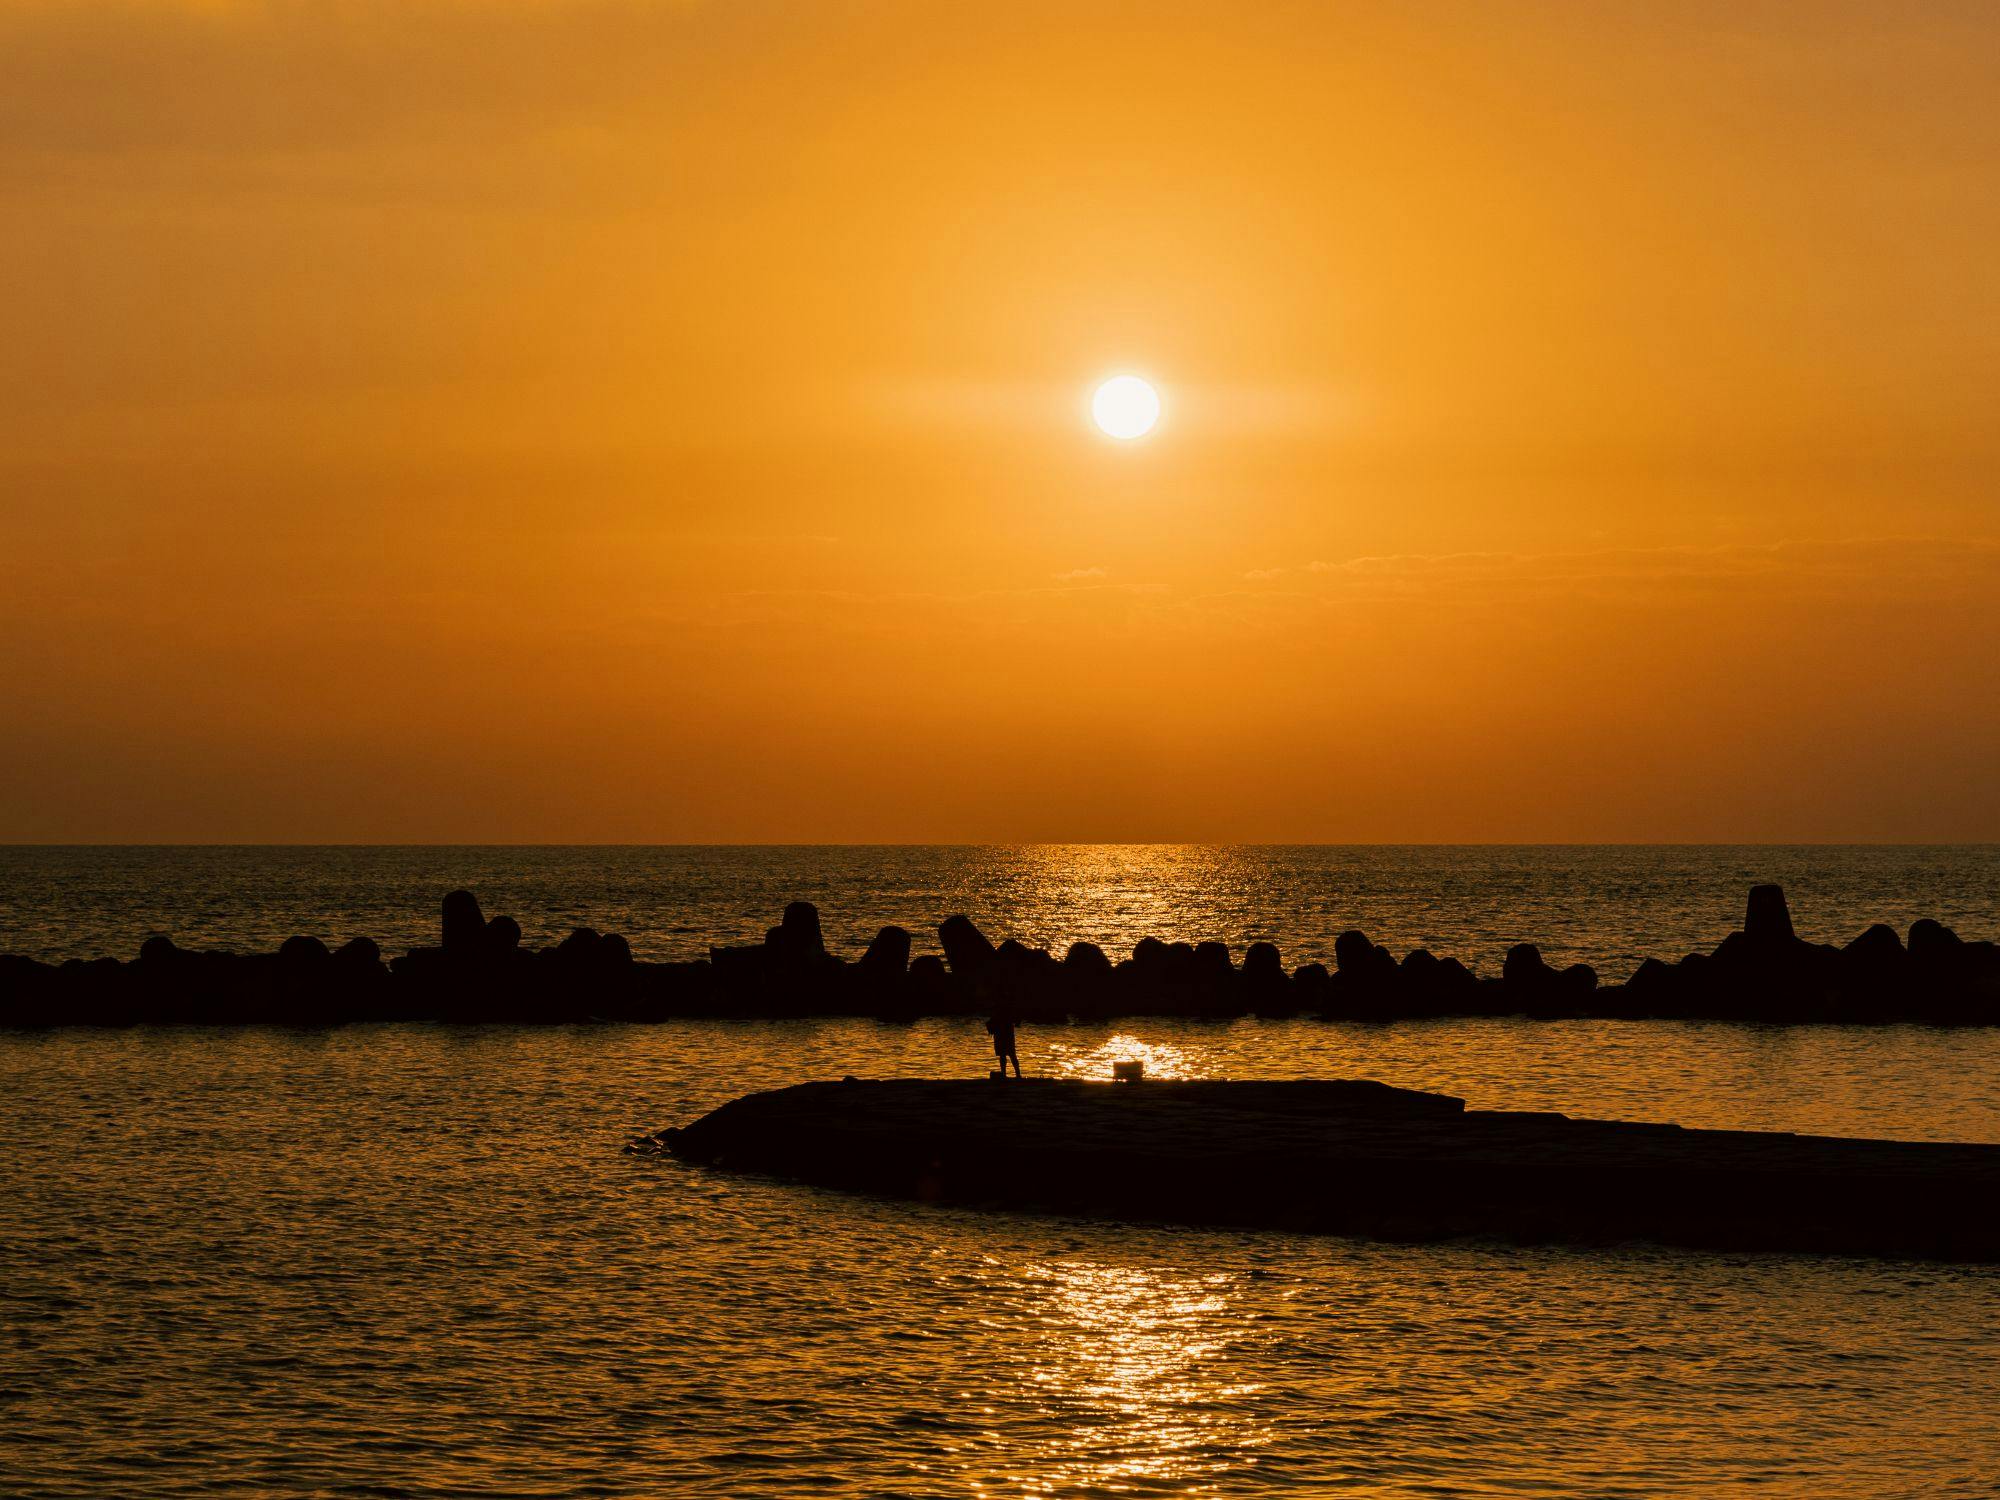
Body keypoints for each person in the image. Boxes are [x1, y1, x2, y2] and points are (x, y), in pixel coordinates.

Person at [986, 1005, 1022, 1078]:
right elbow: (1018, 1020)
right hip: (1005, 1036)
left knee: (1006, 1055)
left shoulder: (1000, 1012)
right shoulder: (1007, 1011)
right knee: (1011, 1055)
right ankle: (1015, 1075)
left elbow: (989, 1023)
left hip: (1002, 1036)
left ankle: (1006, 1074)